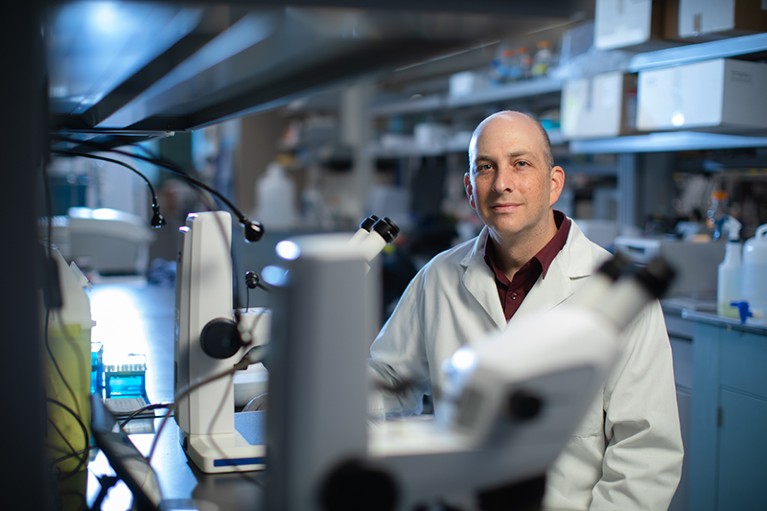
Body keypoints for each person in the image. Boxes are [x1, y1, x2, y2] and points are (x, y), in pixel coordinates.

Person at [368, 110, 684, 510]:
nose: (502, 184)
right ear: (470, 188)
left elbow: (646, 453)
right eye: (486, 167)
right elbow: (386, 377)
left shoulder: (623, 298)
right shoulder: (438, 277)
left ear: (553, 184)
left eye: (521, 164)